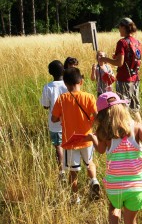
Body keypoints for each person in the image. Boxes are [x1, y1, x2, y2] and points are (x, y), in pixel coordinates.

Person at [88, 91, 142, 224]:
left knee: (113, 209)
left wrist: (93, 139)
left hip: (114, 185)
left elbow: (100, 151)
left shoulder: (102, 132)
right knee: (131, 221)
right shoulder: (137, 128)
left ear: (101, 115)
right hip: (136, 186)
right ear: (122, 108)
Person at [51, 67, 100, 203]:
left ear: (65, 84)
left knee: (73, 172)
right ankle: (94, 180)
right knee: (89, 162)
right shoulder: (89, 97)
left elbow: (54, 119)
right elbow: (97, 117)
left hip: (69, 141)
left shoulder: (62, 99)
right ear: (81, 82)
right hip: (87, 138)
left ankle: (75, 197)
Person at [98, 17, 142, 123]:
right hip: (135, 79)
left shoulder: (122, 42)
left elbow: (119, 63)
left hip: (124, 79)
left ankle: (126, 131)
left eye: (119, 27)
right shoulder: (137, 42)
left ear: (123, 27)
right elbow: (131, 59)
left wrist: (105, 59)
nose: (118, 29)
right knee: (134, 107)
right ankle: (141, 128)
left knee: (123, 107)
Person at [40, 60, 68, 182]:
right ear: (64, 71)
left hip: (55, 123)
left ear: (50, 72)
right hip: (70, 121)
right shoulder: (69, 84)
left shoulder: (48, 87)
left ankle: (61, 171)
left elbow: (45, 105)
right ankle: (72, 167)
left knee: (58, 146)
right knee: (69, 146)